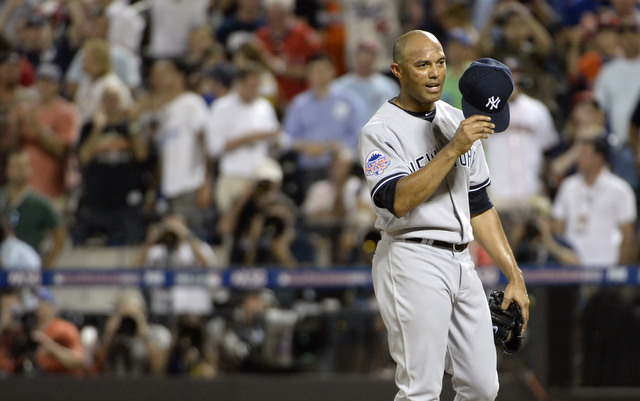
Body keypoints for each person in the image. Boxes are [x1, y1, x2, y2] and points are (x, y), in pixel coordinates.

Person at [357, 31, 529, 400]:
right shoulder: (380, 130)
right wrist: (454, 148)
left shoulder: (458, 119)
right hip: (410, 257)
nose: (434, 73)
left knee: (482, 386)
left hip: (461, 260)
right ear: (397, 71)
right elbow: (398, 200)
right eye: (422, 65)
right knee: (421, 388)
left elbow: (480, 206)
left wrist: (514, 275)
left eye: (440, 63)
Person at [551, 136, 637, 266]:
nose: (578, 158)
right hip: (572, 266)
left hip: (607, 264)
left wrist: (620, 268)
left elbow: (628, 233)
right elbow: (558, 225)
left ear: (599, 158)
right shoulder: (568, 186)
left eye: (584, 154)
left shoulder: (620, 189)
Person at [0, 149, 66, 268]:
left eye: (24, 165)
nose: (19, 170)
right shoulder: (2, 198)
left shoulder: (41, 203)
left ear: (30, 169)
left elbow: (60, 234)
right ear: (6, 170)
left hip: (29, 266)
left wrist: (46, 266)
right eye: (15, 166)